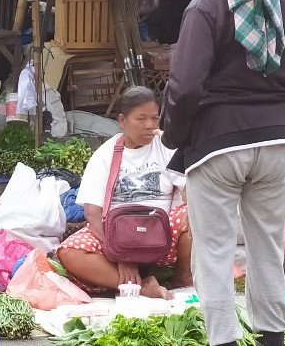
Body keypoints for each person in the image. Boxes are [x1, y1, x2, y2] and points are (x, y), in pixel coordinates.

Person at [162, 0, 285, 346]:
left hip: (218, 144)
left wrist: (175, 137)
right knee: (269, 248)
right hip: (278, 141)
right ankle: (272, 340)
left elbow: (185, 87)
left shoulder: (208, 6)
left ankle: (223, 340)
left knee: (214, 252)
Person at [57, 87, 191, 300]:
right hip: (119, 237)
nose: (149, 125)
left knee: (194, 217)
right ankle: (138, 288)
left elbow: (191, 188)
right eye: (141, 119)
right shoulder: (105, 154)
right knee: (69, 252)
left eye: (155, 118)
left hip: (161, 232)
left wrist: (178, 146)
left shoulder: (165, 147)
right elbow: (93, 214)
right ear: (122, 121)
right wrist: (120, 255)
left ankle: (183, 280)